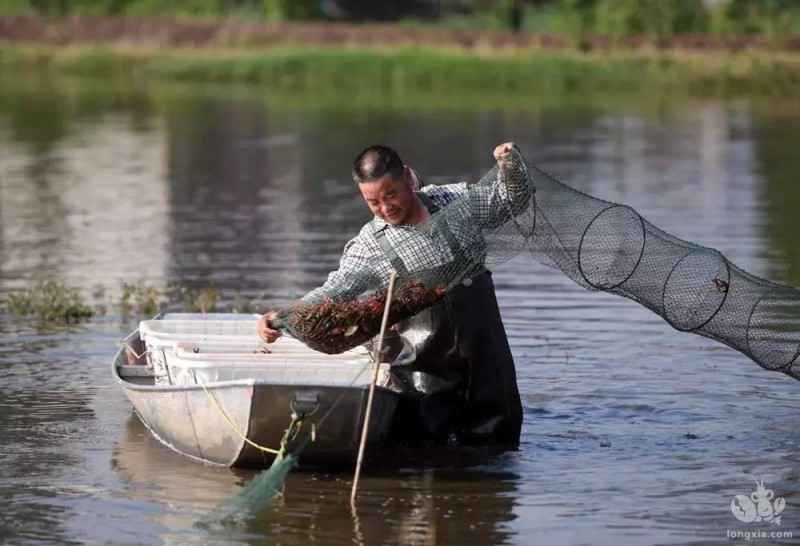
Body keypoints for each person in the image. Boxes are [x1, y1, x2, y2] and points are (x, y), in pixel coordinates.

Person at [258, 143, 529, 447]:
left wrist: (510, 166)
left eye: (391, 195)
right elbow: (335, 290)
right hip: (425, 371)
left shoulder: (454, 200)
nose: (386, 208)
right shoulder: (370, 245)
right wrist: (284, 315)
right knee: (430, 452)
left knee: (499, 443)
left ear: (409, 180)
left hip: (486, 356)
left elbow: (511, 201)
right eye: (373, 202)